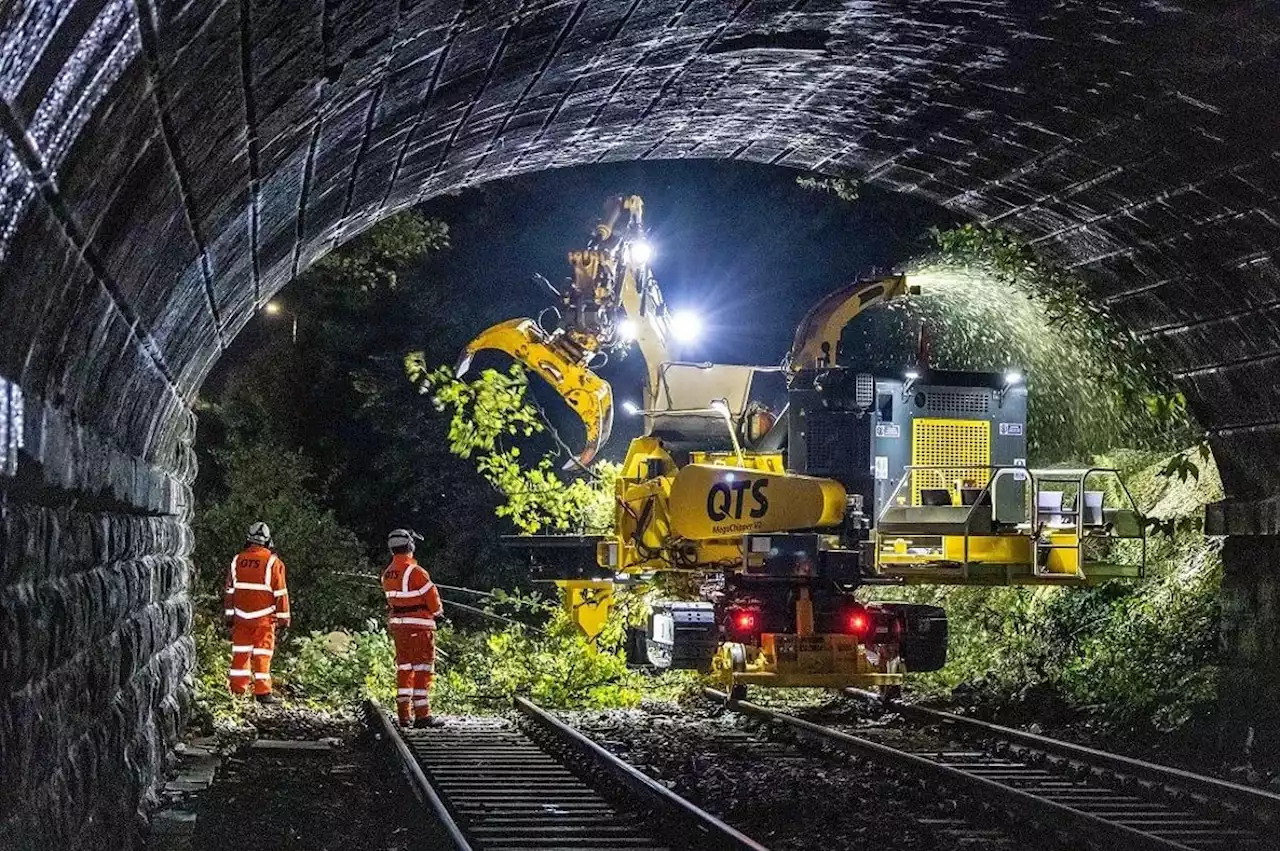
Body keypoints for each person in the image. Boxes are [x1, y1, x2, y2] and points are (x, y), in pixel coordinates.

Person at [381, 529, 443, 727]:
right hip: (420, 626)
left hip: (399, 628)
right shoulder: (416, 571)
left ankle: (403, 715)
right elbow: (432, 599)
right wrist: (438, 611)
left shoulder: (387, 573)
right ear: (410, 546)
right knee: (423, 669)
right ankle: (423, 715)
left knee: (404, 668)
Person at [223, 522, 291, 704]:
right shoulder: (273, 562)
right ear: (267, 541)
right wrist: (284, 620)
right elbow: (280, 593)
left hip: (240, 618)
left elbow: (230, 591)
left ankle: (237, 690)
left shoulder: (237, 560)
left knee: (240, 653)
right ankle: (262, 692)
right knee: (262, 654)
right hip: (263, 619)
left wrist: (229, 616)